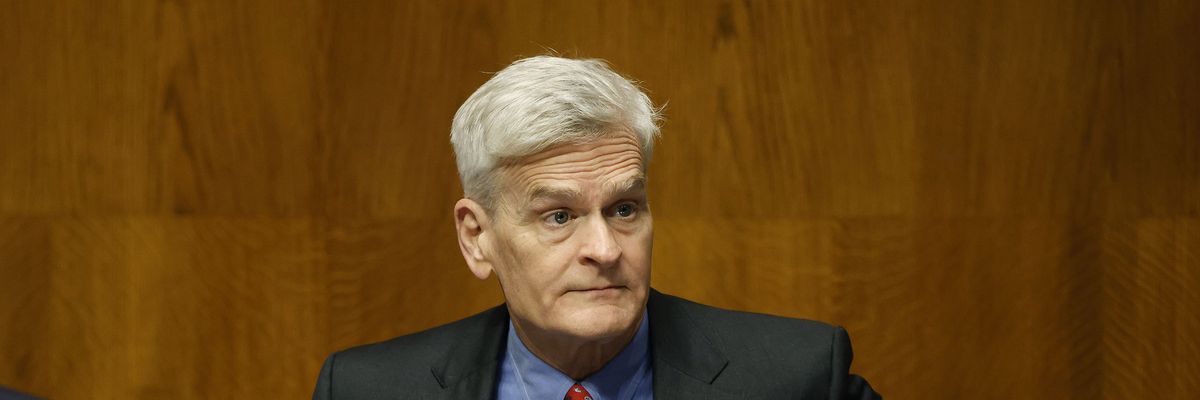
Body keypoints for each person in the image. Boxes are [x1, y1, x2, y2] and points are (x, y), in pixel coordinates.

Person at [313, 56, 880, 400]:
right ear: (476, 236)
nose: (605, 249)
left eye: (624, 209)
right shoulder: (368, 392)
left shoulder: (799, 380)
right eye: (559, 216)